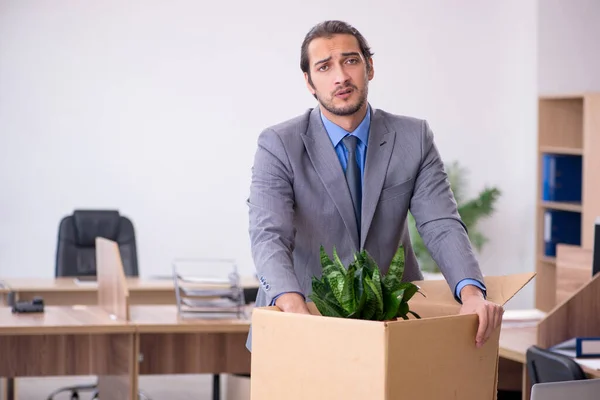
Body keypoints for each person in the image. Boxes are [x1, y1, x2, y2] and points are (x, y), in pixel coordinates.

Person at [246, 20, 503, 351]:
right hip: (301, 319)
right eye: (324, 67)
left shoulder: (414, 138)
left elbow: (441, 224)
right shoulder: (278, 144)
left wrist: (471, 294)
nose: (340, 76)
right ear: (309, 82)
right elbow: (269, 235)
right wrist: (295, 310)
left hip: (390, 323)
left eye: (350, 61)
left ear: (369, 67)